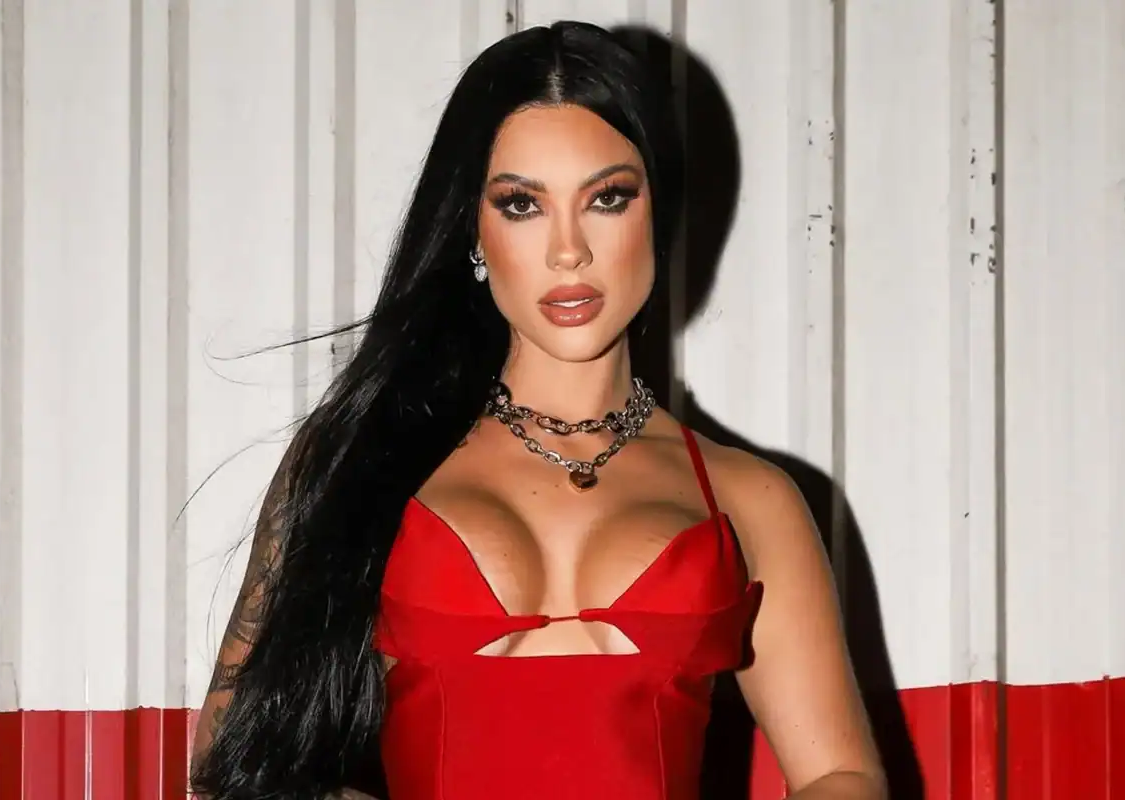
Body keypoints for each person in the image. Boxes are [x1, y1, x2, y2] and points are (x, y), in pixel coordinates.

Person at [189, 19, 886, 800]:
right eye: (522, 204)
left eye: (607, 199)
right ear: (473, 230)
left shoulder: (751, 499)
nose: (568, 251)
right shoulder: (360, 459)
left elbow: (841, 773)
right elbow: (227, 766)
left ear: (657, 212)